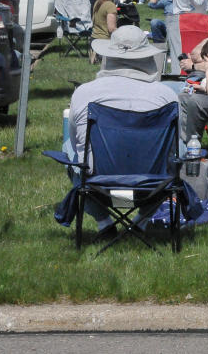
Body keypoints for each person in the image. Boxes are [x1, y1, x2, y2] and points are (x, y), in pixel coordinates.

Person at [62, 26, 175, 240]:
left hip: (97, 180)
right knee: (175, 157)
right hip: (152, 181)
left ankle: (104, 222)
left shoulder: (84, 93)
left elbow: (76, 140)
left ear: (109, 56)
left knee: (70, 147)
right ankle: (140, 222)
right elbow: (177, 147)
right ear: (146, 58)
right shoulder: (167, 97)